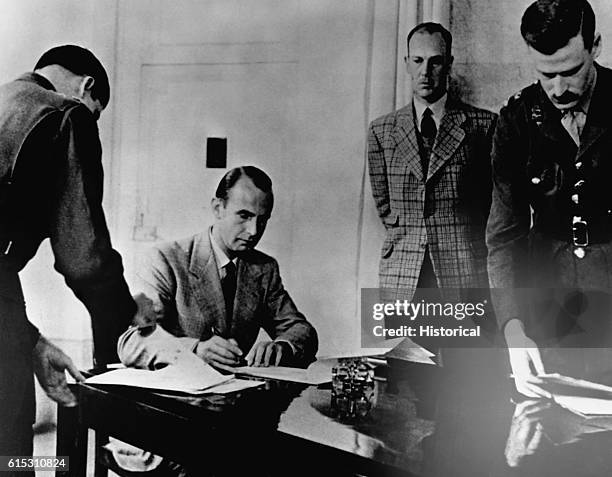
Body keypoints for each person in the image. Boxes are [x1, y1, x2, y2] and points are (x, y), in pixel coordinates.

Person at [0, 45, 153, 464]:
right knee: (9, 454)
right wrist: (128, 318)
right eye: (97, 111)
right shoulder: (68, 113)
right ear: (87, 87)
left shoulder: (6, 98)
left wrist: (28, 339)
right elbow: (83, 257)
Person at [487, 0, 612, 397]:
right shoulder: (516, 120)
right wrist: (513, 327)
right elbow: (503, 237)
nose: (558, 89)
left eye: (571, 71)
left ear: (595, 45)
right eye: (546, 74)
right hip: (547, 307)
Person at [118, 166, 318, 371]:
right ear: (217, 208)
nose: (254, 231)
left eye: (262, 219)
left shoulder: (263, 268)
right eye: (244, 216)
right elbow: (132, 341)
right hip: (176, 395)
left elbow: (300, 329)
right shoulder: (166, 259)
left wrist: (282, 347)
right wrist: (194, 350)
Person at [367, 22, 497, 303]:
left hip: (464, 271)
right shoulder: (382, 130)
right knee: (405, 348)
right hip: (404, 276)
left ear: (449, 64)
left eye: (435, 62)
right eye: (418, 61)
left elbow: (490, 204)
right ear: (406, 64)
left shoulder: (483, 126)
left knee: (464, 346)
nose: (425, 71)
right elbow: (386, 207)